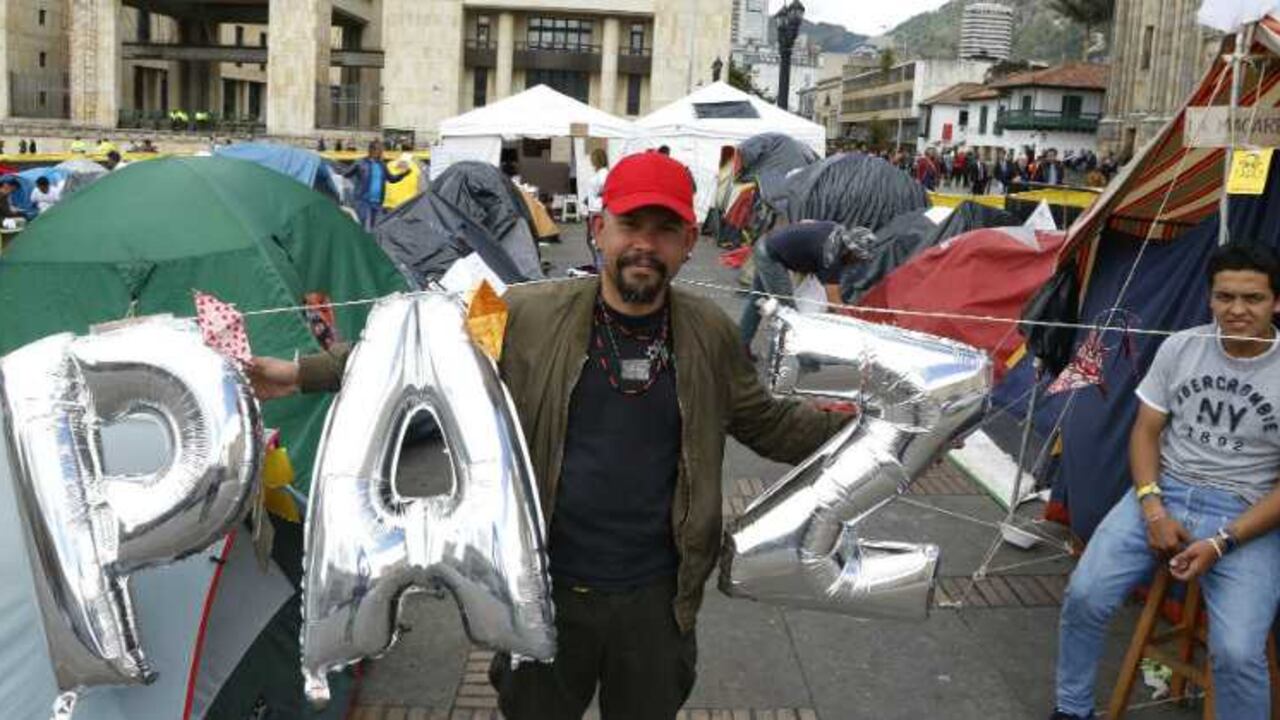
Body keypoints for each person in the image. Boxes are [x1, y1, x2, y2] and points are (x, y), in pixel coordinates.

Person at [247, 152, 852, 720]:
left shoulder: (710, 333)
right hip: (544, 588)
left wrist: (865, 428)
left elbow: (768, 424)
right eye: (629, 224)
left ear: (688, 241)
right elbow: (414, 352)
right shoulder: (522, 312)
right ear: (599, 229)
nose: (644, 244)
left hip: (656, 603)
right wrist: (298, 373)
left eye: (664, 229)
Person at [1051, 242, 1280, 720]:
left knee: (1237, 653)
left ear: (1276, 302)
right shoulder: (1181, 347)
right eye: (1225, 297)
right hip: (1165, 492)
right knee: (1084, 595)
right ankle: (1072, 710)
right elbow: (1146, 431)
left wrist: (1221, 542)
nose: (1237, 310)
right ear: (1211, 298)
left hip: (1247, 513)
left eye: (1253, 298)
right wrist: (1152, 507)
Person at [738, 219, 871, 353]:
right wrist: (851, 323)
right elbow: (834, 302)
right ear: (849, 251)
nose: (857, 262)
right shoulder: (830, 258)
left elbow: (805, 222)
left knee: (757, 299)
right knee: (787, 314)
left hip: (766, 242)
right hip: (771, 257)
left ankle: (740, 346)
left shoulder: (836, 228)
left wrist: (804, 255)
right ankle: (776, 362)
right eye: (857, 258)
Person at [336, 140, 409, 231]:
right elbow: (346, 173)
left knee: (374, 227)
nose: (380, 152)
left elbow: (391, 179)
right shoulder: (360, 163)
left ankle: (369, 243)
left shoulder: (382, 165)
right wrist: (336, 168)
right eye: (379, 149)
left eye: (381, 150)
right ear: (371, 150)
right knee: (361, 226)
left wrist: (403, 174)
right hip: (363, 200)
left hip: (377, 201)